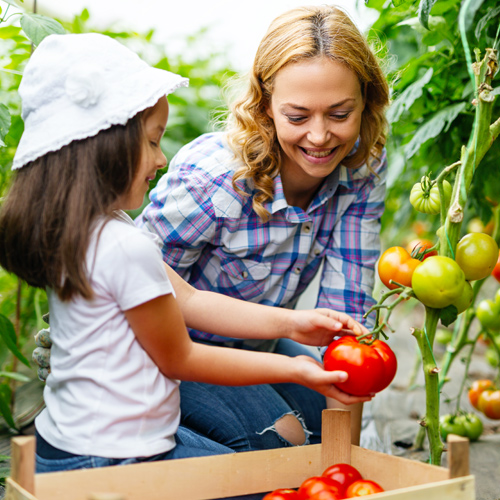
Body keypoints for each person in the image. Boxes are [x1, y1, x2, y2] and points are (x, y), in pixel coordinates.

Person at [0, 32, 370, 476]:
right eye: (154, 142)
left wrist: (292, 323)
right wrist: (295, 369)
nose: (162, 159)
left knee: (267, 461)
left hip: (78, 441)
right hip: (110, 457)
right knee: (270, 477)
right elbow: (182, 358)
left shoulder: (97, 228)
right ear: (106, 149)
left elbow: (189, 301)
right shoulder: (125, 246)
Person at [137, 4, 390, 450]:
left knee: (323, 418)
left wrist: (343, 466)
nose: (319, 136)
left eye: (339, 113)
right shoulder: (214, 180)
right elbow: (138, 287)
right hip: (168, 355)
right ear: (265, 106)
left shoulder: (361, 168)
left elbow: (348, 312)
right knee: (282, 440)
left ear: (367, 101)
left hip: (259, 350)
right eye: (297, 117)